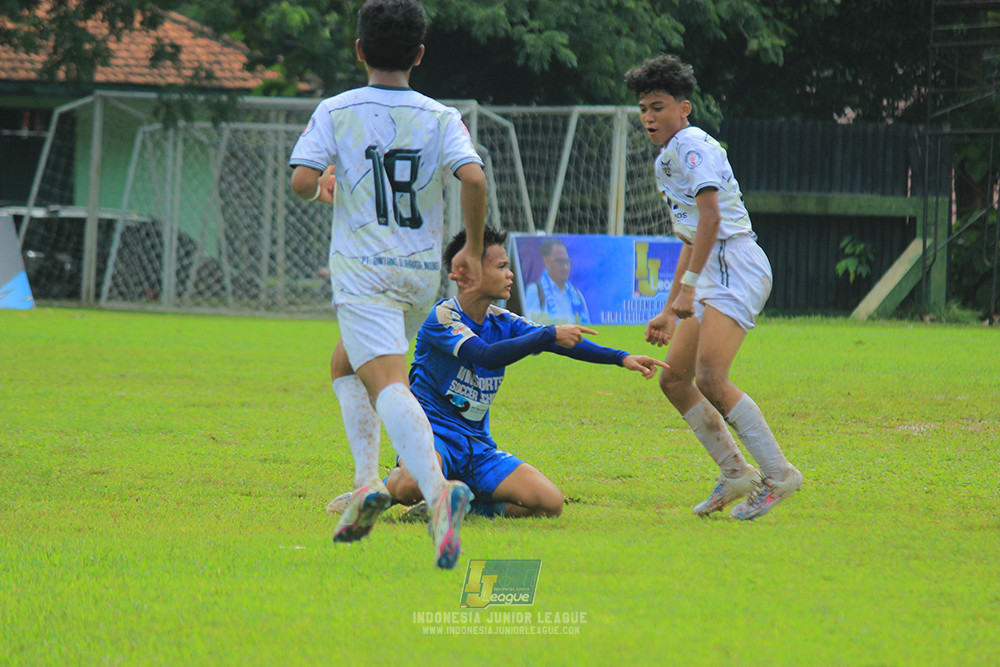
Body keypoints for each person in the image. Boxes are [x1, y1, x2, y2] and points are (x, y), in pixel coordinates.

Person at [288, 0, 487, 569]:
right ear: (419, 55)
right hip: (419, 272)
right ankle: (366, 483)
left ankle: (438, 494)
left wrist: (320, 185)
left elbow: (301, 180)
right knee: (345, 364)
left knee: (388, 384)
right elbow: (472, 176)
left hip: (363, 273)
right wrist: (471, 247)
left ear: (358, 50)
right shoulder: (441, 116)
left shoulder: (338, 108)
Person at [328, 226, 668, 519]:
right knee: (414, 482)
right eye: (502, 266)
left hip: (477, 446)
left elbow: (557, 342)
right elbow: (485, 355)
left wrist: (621, 358)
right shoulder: (442, 318)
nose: (510, 274)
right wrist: (548, 334)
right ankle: (379, 492)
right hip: (433, 439)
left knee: (549, 503)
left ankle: (460, 509)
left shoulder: (503, 321)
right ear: (467, 273)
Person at [624, 54, 803, 520]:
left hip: (735, 264)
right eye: (643, 108)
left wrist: (688, 290)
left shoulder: (692, 143)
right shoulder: (668, 158)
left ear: (684, 108)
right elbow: (690, 234)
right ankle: (735, 473)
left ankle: (778, 474)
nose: (648, 117)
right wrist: (669, 307)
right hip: (711, 268)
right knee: (675, 379)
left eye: (658, 106)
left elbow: (712, 218)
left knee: (710, 377)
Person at [522, 238, 591, 325]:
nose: (565, 267)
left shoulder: (577, 295)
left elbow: (588, 326)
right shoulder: (536, 291)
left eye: (567, 262)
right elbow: (530, 327)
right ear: (546, 262)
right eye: (560, 261)